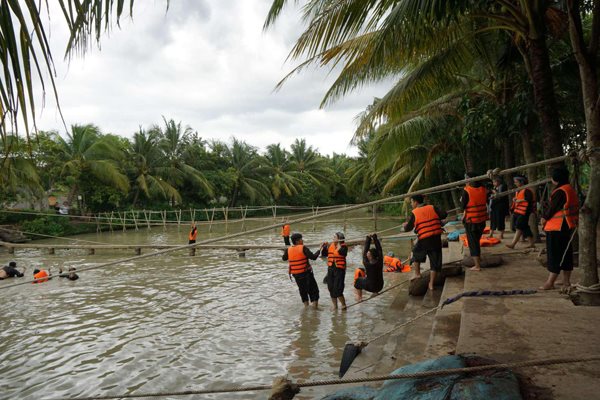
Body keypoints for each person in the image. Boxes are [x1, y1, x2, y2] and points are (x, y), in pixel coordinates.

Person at [540, 168, 579, 291]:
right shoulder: (569, 189)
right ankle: (566, 281)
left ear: (555, 179)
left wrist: (544, 218)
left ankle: (550, 282)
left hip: (557, 226)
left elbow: (552, 208)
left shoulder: (560, 191)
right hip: (566, 225)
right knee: (566, 253)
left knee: (555, 254)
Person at [404, 195, 447, 291]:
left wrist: (405, 225)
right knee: (434, 262)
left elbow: (408, 228)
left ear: (415, 202)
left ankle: (417, 274)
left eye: (411, 202)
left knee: (415, 254)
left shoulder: (415, 212)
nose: (411, 204)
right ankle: (431, 284)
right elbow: (444, 214)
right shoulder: (432, 207)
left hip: (424, 239)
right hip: (435, 238)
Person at [282, 232, 320, 308]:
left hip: (296, 275)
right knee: (313, 291)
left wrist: (285, 251)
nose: (302, 240)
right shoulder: (303, 248)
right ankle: (315, 309)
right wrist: (320, 249)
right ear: (297, 241)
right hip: (306, 274)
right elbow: (313, 257)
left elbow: (284, 258)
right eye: (301, 239)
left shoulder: (289, 249)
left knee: (302, 291)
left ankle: (306, 307)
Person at [461, 173, 488, 271]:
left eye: (466, 178)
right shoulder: (483, 189)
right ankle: (478, 258)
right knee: (476, 240)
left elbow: (463, 206)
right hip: (482, 220)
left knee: (473, 243)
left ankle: (477, 266)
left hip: (471, 221)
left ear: (469, 180)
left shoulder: (467, 191)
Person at [320, 232, 348, 310]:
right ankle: (335, 306)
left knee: (338, 289)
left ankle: (343, 305)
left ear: (339, 239)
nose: (333, 238)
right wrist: (325, 247)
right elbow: (325, 255)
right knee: (331, 288)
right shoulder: (331, 245)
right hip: (331, 269)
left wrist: (338, 243)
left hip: (339, 270)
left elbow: (342, 253)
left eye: (335, 237)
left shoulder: (344, 247)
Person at [507, 175, 536, 249]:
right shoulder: (518, 190)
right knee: (525, 227)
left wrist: (519, 200)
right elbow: (518, 199)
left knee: (519, 227)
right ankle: (532, 244)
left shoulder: (527, 190)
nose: (515, 183)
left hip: (524, 212)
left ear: (521, 182)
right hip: (518, 211)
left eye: (516, 182)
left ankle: (513, 244)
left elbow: (529, 199)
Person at [354, 234, 384, 302]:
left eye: (368, 253)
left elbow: (365, 252)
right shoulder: (380, 261)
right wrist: (374, 238)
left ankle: (359, 297)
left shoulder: (367, 263)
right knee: (371, 279)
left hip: (371, 287)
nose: (367, 254)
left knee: (358, 281)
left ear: (370, 256)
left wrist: (368, 239)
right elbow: (379, 249)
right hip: (380, 286)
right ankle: (375, 292)